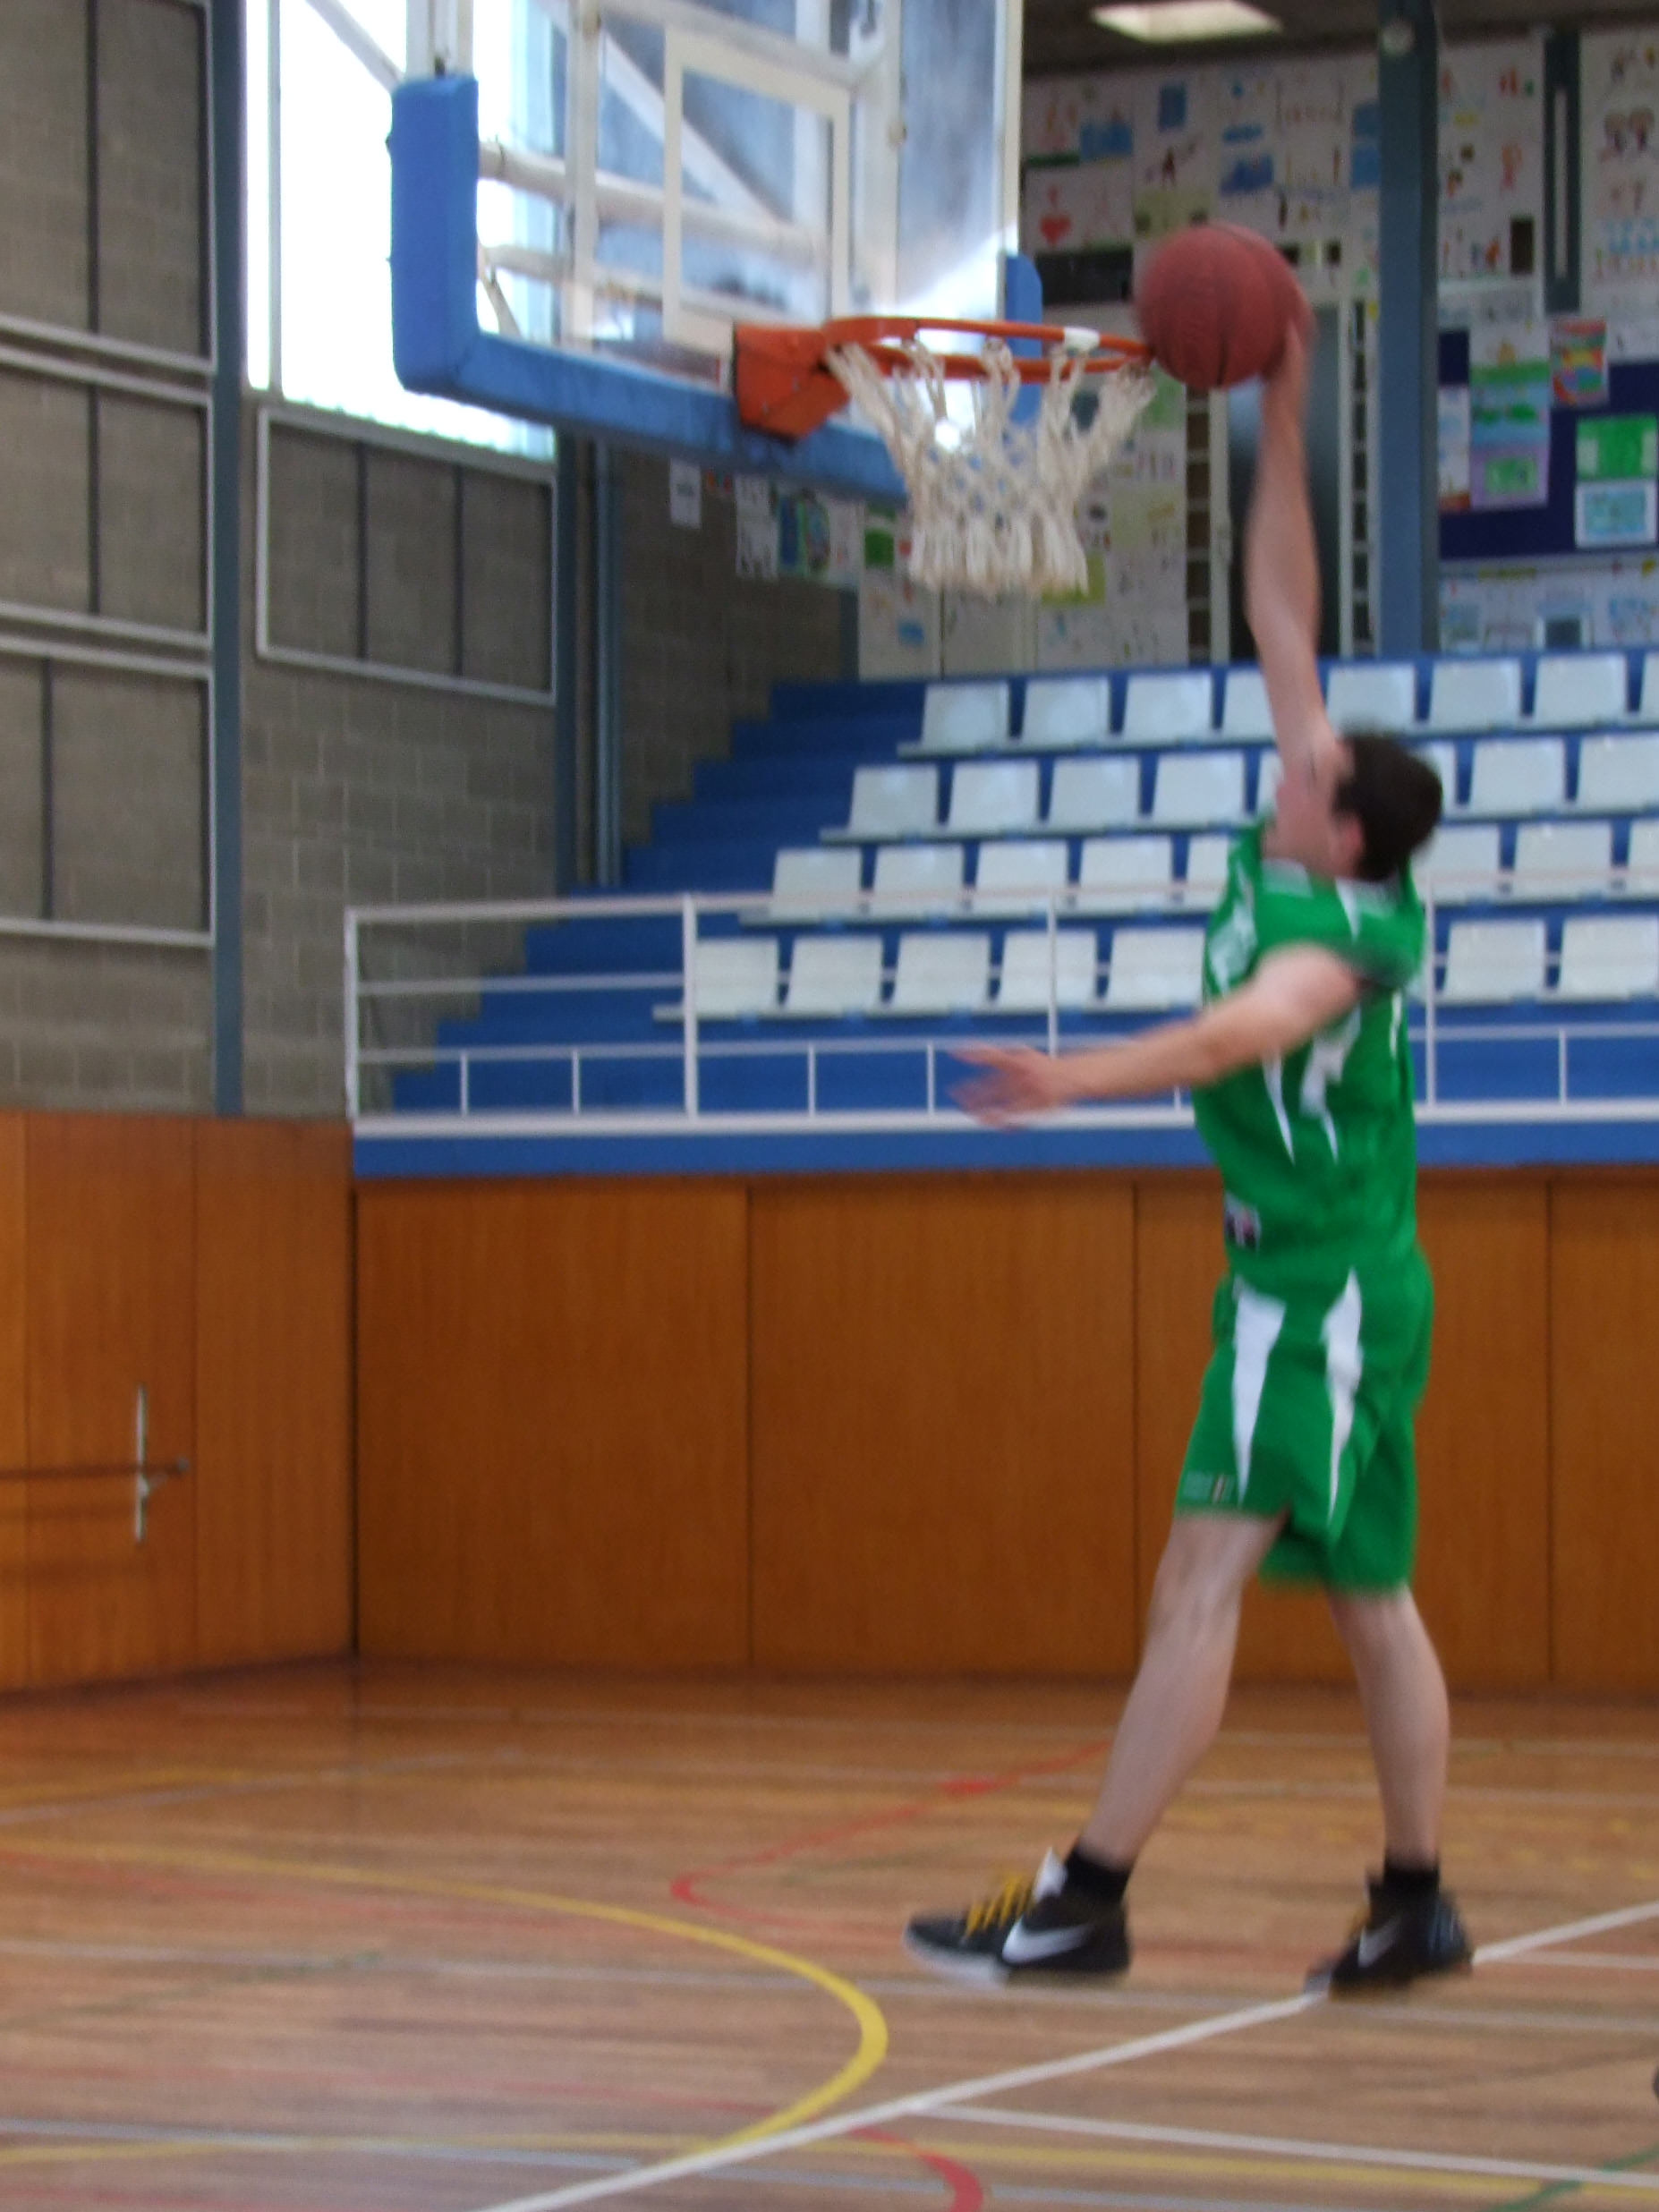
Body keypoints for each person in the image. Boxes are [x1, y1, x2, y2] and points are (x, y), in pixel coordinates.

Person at [905, 325, 1470, 1995]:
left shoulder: (1342, 944)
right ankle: (1415, 1904)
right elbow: (1281, 609)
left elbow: (1232, 1039)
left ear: (1341, 830)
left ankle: (1086, 1897)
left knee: (1197, 1580)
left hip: (1313, 1297)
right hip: (1337, 1285)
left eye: (1312, 767)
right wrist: (1278, 410)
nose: (1291, 750)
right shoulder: (1308, 839)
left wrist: (1068, 1080)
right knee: (1367, 1601)